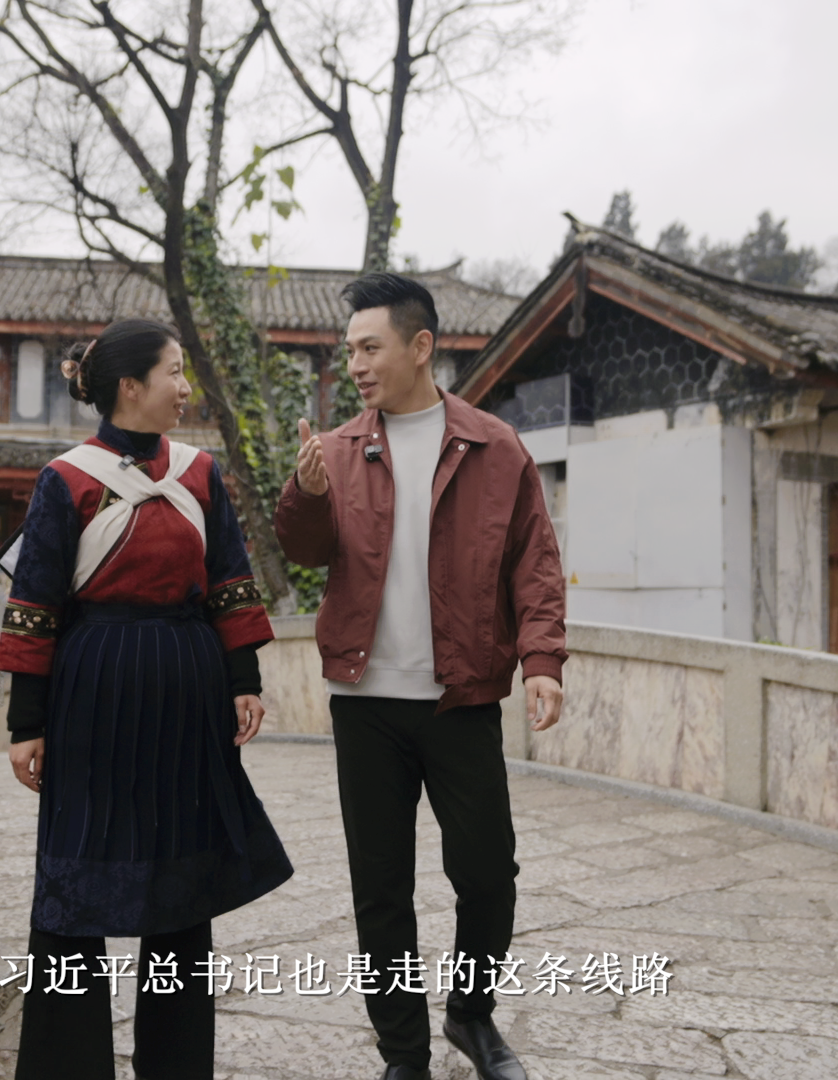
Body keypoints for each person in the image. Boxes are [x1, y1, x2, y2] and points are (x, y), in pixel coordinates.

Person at [275, 272, 567, 1080]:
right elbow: (305, 551)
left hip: (459, 698)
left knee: (488, 873)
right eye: (350, 351)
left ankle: (471, 1017)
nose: (356, 365)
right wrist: (304, 495)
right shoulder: (337, 449)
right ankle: (403, 1053)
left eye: (370, 348)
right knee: (381, 888)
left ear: (420, 346)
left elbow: (535, 563)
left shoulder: (495, 447)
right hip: (364, 703)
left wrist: (542, 660)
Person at [0, 318, 293, 1078]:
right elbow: (35, 606)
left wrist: (244, 679)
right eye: (174, 372)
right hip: (91, 696)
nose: (185, 387)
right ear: (131, 386)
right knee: (73, 881)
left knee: (182, 885)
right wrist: (26, 722)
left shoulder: (200, 473)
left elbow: (229, 579)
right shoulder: (66, 479)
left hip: (189, 695)